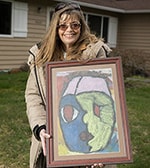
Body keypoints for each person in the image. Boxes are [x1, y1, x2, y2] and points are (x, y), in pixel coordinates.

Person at [25, 2, 116, 168]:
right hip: (52, 139)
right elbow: (33, 96)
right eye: (63, 25)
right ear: (55, 27)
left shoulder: (95, 52)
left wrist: (103, 150)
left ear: (81, 26)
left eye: (75, 24)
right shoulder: (41, 54)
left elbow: (109, 100)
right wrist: (41, 127)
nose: (69, 29)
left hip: (88, 144)